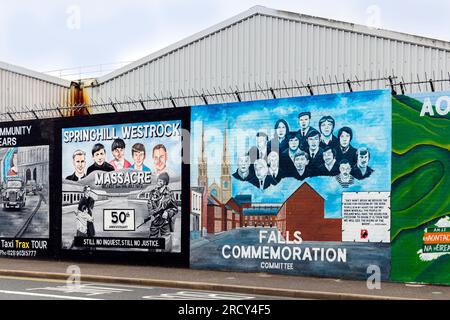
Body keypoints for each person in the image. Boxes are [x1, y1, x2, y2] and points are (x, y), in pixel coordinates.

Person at [145, 173, 178, 252]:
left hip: (165, 222)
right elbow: (149, 204)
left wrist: (167, 213)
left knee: (166, 240)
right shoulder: (153, 192)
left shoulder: (169, 193)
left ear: (165, 183)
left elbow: (175, 208)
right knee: (152, 241)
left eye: (160, 181)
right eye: (158, 180)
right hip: (155, 221)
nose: (158, 182)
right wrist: (152, 213)